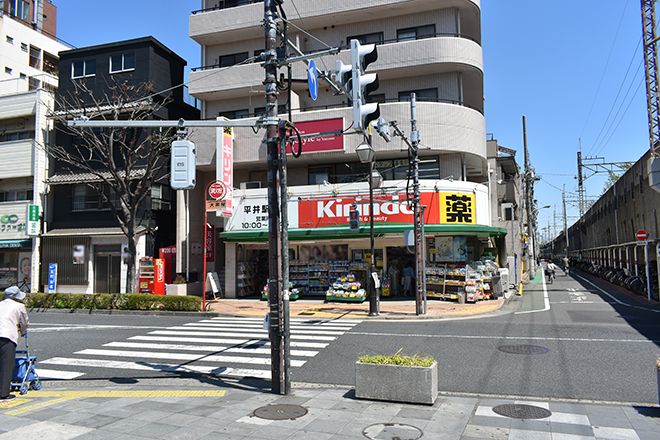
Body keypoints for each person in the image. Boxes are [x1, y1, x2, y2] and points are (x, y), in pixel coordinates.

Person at [0, 286, 29, 400]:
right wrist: (22, 331)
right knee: (7, 365)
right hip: (7, 336)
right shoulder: (19, 306)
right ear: (17, 298)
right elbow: (24, 322)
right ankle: (3, 393)